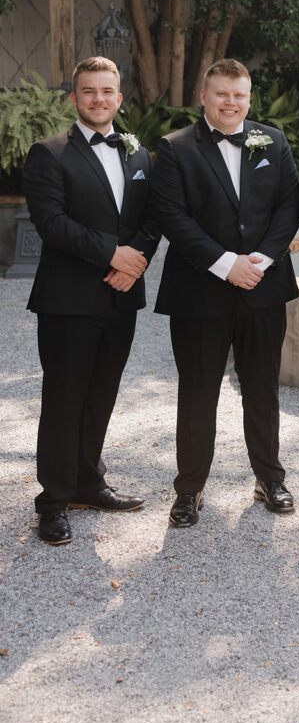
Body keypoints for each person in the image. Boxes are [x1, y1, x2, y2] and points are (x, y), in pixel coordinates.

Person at [151, 58, 299, 527]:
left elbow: (290, 205)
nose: (231, 102)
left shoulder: (272, 141)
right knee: (198, 393)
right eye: (222, 94)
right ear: (204, 96)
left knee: (263, 390)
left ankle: (270, 478)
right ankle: (189, 488)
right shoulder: (175, 149)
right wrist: (225, 264)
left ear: (249, 98)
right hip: (200, 292)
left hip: (262, 285)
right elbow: (173, 217)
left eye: (239, 95)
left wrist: (262, 259)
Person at [24, 56, 158, 545]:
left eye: (107, 91)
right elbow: (52, 223)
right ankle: (53, 500)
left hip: (121, 298)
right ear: (75, 98)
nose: (99, 99)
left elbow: (154, 216)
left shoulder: (138, 154)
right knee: (64, 399)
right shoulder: (49, 153)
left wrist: (135, 262)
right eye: (89, 92)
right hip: (69, 300)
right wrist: (112, 256)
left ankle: (87, 482)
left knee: (101, 394)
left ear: (120, 98)